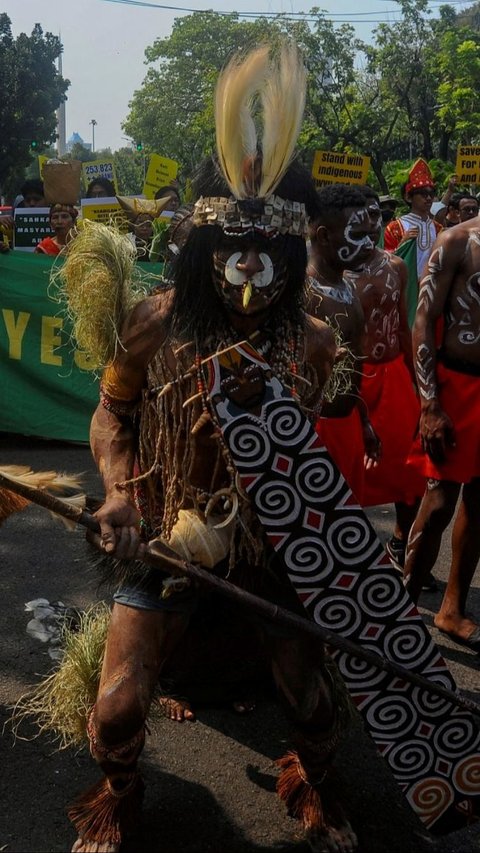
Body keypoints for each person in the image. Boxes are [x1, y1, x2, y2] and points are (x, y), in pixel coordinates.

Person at [65, 45, 358, 853]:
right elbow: (109, 413)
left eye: (267, 253)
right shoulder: (155, 324)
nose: (248, 270)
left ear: (294, 253)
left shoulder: (315, 340)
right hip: (168, 540)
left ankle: (313, 780)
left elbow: (325, 427)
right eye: (232, 248)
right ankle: (119, 797)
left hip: (274, 554)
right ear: (201, 247)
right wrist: (120, 489)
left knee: (317, 709)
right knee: (118, 710)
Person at [404, 211, 480, 651]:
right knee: (437, 503)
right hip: (455, 391)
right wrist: (429, 403)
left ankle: (451, 609)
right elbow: (423, 321)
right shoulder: (456, 241)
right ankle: (401, 610)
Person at [345, 187, 428, 580]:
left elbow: (404, 323)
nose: (369, 223)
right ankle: (347, 553)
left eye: (375, 214)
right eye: (360, 216)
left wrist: (418, 382)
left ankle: (400, 538)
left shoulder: (396, 266)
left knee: (408, 469)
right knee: (345, 474)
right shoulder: (323, 273)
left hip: (393, 374)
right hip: (348, 381)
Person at [306, 184, 380, 504]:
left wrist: (362, 421)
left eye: (370, 234)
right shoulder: (301, 294)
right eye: (358, 235)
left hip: (346, 427)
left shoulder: (348, 288)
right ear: (324, 236)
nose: (369, 245)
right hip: (312, 434)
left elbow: (354, 366)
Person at [383, 159, 442, 281]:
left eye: (431, 194)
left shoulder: (438, 228)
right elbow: (385, 261)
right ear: (408, 197)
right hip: (406, 285)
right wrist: (403, 243)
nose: (429, 198)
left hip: (432, 284)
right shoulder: (395, 227)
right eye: (423, 194)